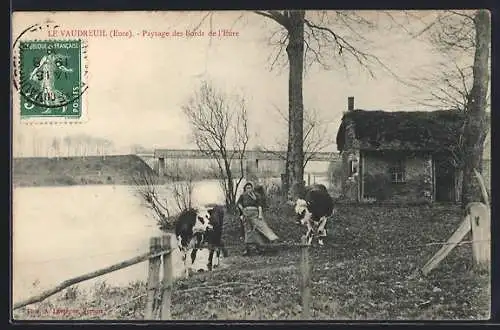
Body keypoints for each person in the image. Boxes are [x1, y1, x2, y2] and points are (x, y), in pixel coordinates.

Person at [237, 181, 279, 255]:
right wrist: (242, 211)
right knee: (248, 231)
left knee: (261, 227)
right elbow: (239, 204)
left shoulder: (256, 195)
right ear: (245, 189)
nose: (248, 189)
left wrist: (260, 215)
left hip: (255, 213)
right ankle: (248, 249)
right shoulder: (242, 196)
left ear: (252, 188)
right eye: (247, 188)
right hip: (246, 214)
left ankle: (272, 239)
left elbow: (259, 206)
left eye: (250, 188)